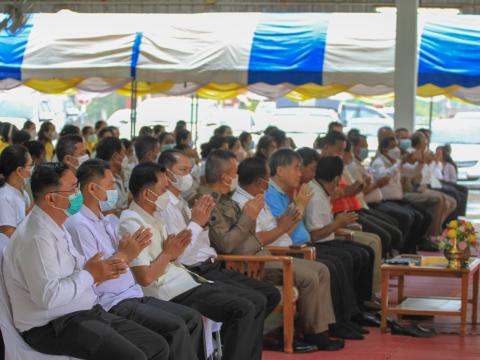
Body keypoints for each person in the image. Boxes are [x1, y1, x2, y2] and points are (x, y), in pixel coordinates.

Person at [3, 162, 169, 359]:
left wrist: (99, 269)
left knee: (156, 345)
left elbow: (80, 270)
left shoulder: (56, 224)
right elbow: (48, 297)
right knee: (134, 357)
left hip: (83, 312)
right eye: (73, 189)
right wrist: (91, 274)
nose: (78, 193)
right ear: (52, 198)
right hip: (52, 327)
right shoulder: (36, 237)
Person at [198, 150, 345, 350]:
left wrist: (288, 215)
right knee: (310, 277)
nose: (236, 179)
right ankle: (313, 333)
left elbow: (257, 233)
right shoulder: (213, 202)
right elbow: (229, 243)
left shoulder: (230, 200)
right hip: (251, 262)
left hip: (263, 253)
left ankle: (322, 328)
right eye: (234, 173)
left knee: (322, 269)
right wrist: (251, 217)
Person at [119, 162, 266, 360]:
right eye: (163, 189)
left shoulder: (153, 215)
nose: (167, 194)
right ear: (147, 194)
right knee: (243, 308)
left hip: (185, 278)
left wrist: (184, 237)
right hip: (168, 289)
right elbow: (146, 277)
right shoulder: (132, 221)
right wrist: (171, 251)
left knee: (256, 300)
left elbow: (174, 255)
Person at [65, 159, 203, 360]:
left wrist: (130, 251)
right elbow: (94, 276)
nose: (115, 191)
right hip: (113, 302)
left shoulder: (104, 219)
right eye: (111, 185)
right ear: (93, 189)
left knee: (191, 318)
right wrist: (126, 254)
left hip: (132, 294)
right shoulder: (79, 225)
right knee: (175, 327)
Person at [158, 149, 281, 348]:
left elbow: (205, 244)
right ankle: (233, 345)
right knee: (251, 304)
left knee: (268, 296)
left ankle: (234, 343)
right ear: (166, 174)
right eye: (183, 170)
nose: (188, 176)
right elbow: (183, 254)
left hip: (213, 263)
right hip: (193, 270)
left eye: (190, 170)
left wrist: (201, 225)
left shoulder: (183, 202)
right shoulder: (169, 206)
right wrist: (198, 223)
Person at [264, 149, 376, 334]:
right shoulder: (271, 194)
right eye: (297, 168)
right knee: (335, 264)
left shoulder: (285, 193)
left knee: (353, 255)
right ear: (280, 170)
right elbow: (282, 232)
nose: (301, 173)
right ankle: (337, 322)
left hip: (303, 245)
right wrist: (300, 205)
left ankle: (354, 311)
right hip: (292, 249)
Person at [369, 137, 435, 252]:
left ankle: (412, 245)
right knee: (408, 216)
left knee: (425, 214)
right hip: (384, 201)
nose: (397, 149)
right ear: (385, 150)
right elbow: (383, 177)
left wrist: (421, 162)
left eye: (397, 146)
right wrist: (400, 162)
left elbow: (413, 172)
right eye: (392, 147)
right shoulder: (378, 162)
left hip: (398, 200)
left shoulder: (396, 162)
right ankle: (401, 248)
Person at [0, 144, 32, 237]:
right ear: (19, 171)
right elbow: (9, 237)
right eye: (30, 166)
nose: (32, 170)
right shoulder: (4, 197)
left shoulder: (22, 192)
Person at [95, 137, 130, 212]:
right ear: (115, 157)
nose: (126, 157)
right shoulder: (103, 183)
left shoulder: (117, 176)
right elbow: (110, 216)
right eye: (124, 153)